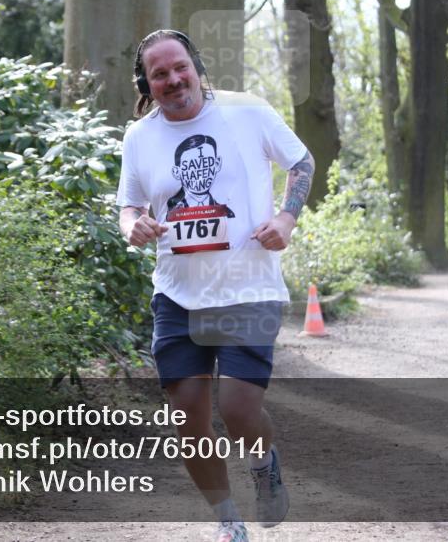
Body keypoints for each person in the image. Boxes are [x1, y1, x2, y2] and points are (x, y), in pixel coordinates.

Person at [116, 30, 314, 542]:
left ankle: (263, 464)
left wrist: (287, 218)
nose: (173, 80)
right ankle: (230, 523)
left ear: (196, 65)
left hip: (248, 287)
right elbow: (130, 204)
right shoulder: (139, 137)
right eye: (159, 74)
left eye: (179, 67)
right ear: (147, 82)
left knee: (238, 409)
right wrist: (132, 225)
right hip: (178, 294)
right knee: (188, 422)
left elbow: (302, 162)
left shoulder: (246, 111)